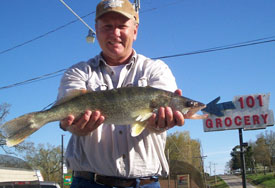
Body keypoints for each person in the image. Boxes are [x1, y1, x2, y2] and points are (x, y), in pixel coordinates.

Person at [58, 0, 188, 187]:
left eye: (122, 26)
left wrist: (159, 124)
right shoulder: (78, 72)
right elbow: (66, 117)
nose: (115, 33)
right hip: (88, 182)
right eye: (107, 26)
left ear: (135, 31)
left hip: (145, 183)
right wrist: (71, 126)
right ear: (97, 30)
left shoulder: (156, 69)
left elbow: (156, 122)